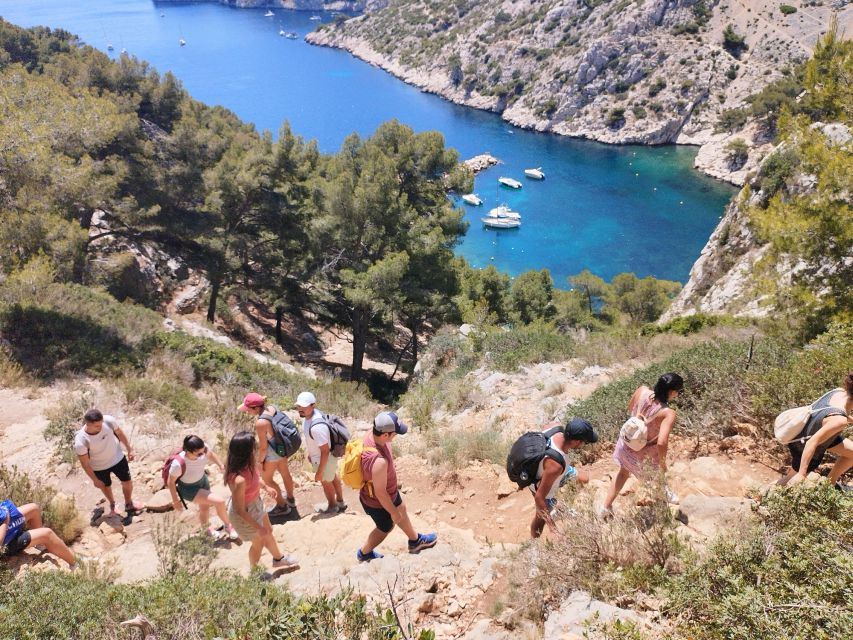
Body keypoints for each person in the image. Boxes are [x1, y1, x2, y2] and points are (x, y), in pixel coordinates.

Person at [356, 411, 437, 562]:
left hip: (390, 493)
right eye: (394, 433)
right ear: (385, 435)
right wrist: (392, 513)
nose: (396, 436)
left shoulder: (371, 433)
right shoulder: (378, 461)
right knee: (385, 527)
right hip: (377, 502)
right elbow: (380, 493)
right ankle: (364, 552)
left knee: (401, 508)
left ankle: (415, 541)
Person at [601, 373, 684, 517]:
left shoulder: (642, 390)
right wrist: (663, 463)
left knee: (622, 472)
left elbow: (630, 407)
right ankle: (664, 495)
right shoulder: (668, 413)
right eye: (679, 391)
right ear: (672, 392)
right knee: (658, 471)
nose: (678, 394)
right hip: (641, 454)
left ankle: (605, 507)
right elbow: (662, 442)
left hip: (625, 444)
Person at [224, 431, 298, 571]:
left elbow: (256, 478)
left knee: (268, 530)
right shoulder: (238, 479)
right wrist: (259, 528)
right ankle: (255, 572)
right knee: (258, 541)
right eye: (253, 447)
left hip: (256, 503)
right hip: (244, 513)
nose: (256, 449)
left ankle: (278, 559)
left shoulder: (250, 464)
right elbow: (240, 510)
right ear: (246, 452)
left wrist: (266, 487)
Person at [780, 372, 853, 489]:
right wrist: (802, 474)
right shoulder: (840, 420)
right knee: (788, 481)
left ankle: (829, 485)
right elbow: (812, 442)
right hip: (804, 444)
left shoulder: (839, 392)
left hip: (809, 431)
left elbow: (830, 414)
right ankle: (760, 496)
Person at [529, 418, 597, 538]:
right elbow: (539, 497)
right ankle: (534, 544)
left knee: (583, 479)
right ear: (576, 441)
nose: (584, 445)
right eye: (584, 442)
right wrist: (554, 529)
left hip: (557, 469)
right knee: (541, 518)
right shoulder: (556, 465)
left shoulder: (556, 428)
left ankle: (561, 507)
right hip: (542, 479)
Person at [166, 435, 239, 541]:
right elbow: (170, 482)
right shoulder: (178, 464)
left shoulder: (203, 449)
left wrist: (220, 465)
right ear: (187, 451)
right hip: (189, 489)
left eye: (203, 451)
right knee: (220, 502)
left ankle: (206, 530)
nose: (202, 455)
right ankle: (228, 526)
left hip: (202, 481)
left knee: (204, 508)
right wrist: (175, 501)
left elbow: (211, 454)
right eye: (199, 454)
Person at [74, 409, 144, 517]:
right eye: (97, 426)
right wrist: (95, 480)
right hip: (99, 467)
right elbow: (85, 464)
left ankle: (129, 503)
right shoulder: (81, 441)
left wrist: (130, 449)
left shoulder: (108, 421)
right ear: (88, 424)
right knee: (106, 486)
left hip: (117, 458)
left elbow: (119, 433)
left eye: (101, 424)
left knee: (127, 481)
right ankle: (112, 504)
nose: (100, 427)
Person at [238, 393, 297, 516]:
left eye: (248, 409)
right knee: (285, 473)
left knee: (267, 480)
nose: (247, 412)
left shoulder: (261, 423)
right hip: (282, 447)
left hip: (272, 452)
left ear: (256, 408)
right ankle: (290, 499)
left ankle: (282, 506)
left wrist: (259, 462)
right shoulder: (272, 408)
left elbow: (264, 448)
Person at [294, 391, 347, 515]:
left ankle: (332, 506)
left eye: (304, 406)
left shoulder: (316, 426)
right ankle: (340, 502)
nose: (300, 409)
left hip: (323, 458)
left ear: (313, 405)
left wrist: (320, 472)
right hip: (324, 456)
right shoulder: (313, 416)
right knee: (332, 476)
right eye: (299, 406)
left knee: (326, 482)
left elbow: (324, 451)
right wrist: (310, 453)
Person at [0, 500, 78, 569]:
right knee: (47, 534)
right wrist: (6, 520)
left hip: (6, 526)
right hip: (6, 543)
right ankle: (75, 564)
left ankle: (40, 545)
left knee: (34, 509)